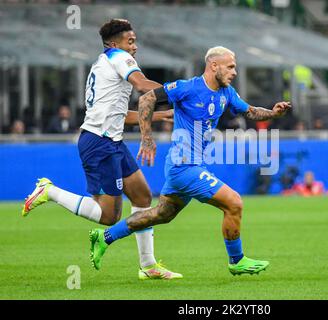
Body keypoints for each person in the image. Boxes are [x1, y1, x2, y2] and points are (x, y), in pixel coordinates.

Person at [88, 46, 291, 275]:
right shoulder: (188, 88)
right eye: (231, 66)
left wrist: (273, 113)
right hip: (184, 166)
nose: (234, 72)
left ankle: (105, 236)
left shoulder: (227, 93)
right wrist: (146, 138)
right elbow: (147, 99)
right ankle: (237, 260)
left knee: (161, 215)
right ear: (214, 65)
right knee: (234, 202)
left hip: (187, 166)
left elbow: (250, 111)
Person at [22, 19, 181, 280]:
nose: (135, 47)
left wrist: (159, 116)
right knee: (109, 216)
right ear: (114, 43)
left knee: (142, 196)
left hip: (112, 141)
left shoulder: (101, 64)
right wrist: (184, 92)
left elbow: (117, 114)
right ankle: (49, 191)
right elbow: (143, 86)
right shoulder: (119, 57)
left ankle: (148, 265)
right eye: (131, 41)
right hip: (99, 143)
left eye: (135, 41)